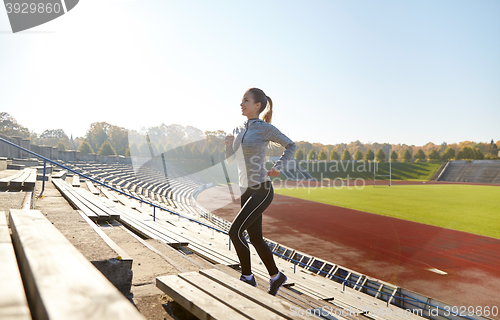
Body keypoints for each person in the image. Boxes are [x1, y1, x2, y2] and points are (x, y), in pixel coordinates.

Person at [225, 88, 296, 296]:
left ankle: (247, 277)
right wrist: (228, 146)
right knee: (255, 238)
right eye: (241, 100)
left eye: (246, 100)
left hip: (262, 188)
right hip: (245, 190)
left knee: (234, 232)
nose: (241, 103)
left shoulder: (264, 128)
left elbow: (291, 145)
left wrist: (279, 166)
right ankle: (276, 277)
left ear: (258, 105)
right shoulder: (237, 129)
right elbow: (230, 160)